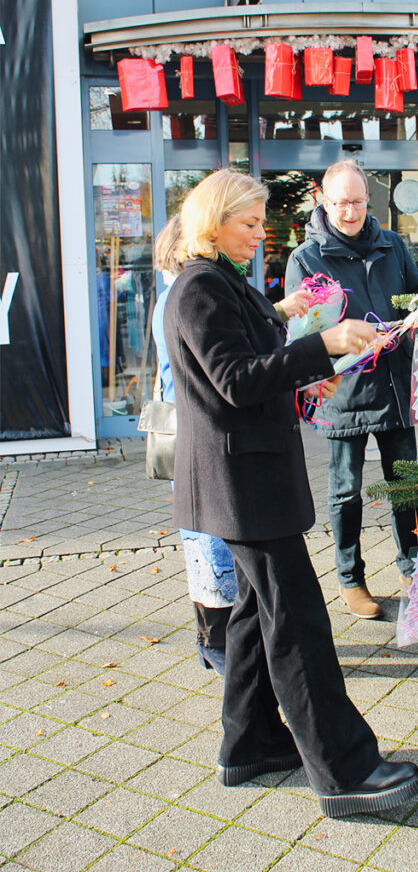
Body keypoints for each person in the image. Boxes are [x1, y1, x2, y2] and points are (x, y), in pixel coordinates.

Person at [164, 168, 418, 818]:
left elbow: (254, 355)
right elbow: (234, 379)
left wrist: (305, 371)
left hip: (246, 478)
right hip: (241, 484)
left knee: (256, 615)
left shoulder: (221, 280)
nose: (262, 234)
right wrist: (322, 345)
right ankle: (344, 771)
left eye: (262, 222)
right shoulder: (201, 286)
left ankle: (250, 743)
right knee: (297, 623)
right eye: (249, 223)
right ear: (213, 222)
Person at [285, 160, 418, 621]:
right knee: (346, 491)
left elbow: (415, 294)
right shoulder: (306, 258)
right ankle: (350, 579)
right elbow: (301, 336)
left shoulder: (392, 245)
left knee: (406, 485)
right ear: (323, 202)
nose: (350, 212)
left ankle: (415, 570)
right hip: (343, 392)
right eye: (341, 203)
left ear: (369, 200)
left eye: (358, 202)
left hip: (395, 385)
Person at [151, 216, 235, 675]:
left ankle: (219, 638)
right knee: (206, 537)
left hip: (196, 431)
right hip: (193, 433)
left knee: (207, 534)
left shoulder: (175, 293)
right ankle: (214, 640)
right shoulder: (183, 296)